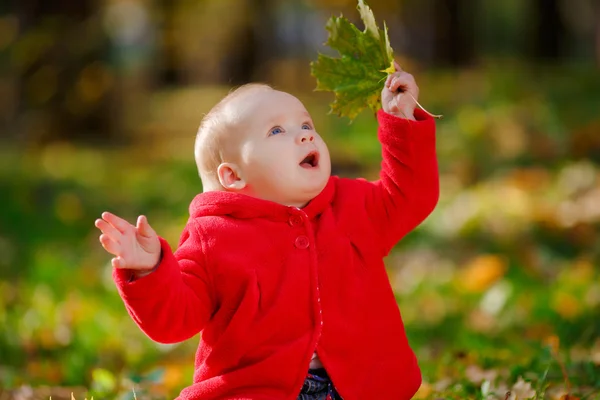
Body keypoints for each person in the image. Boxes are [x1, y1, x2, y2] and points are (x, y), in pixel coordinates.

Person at [94, 65, 439, 400]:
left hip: (366, 386)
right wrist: (149, 270)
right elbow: (175, 321)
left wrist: (401, 121)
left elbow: (410, 196)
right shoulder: (213, 236)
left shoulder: (351, 205)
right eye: (277, 131)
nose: (304, 134)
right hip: (257, 390)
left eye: (305, 124)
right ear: (233, 177)